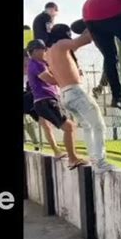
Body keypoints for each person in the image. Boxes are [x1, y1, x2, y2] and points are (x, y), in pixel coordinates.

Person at [46, 24, 114, 173]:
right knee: (98, 125)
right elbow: (85, 40)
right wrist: (93, 22)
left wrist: (86, 28)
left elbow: (79, 41)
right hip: (75, 91)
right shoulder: (61, 45)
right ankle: (100, 162)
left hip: (65, 94)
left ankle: (95, 159)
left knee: (88, 126)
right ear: (65, 34)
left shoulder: (50, 52)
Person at [26, 39, 87, 169]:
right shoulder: (37, 64)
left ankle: (63, 154)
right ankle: (72, 158)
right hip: (46, 101)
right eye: (43, 50)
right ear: (36, 51)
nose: (45, 52)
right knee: (69, 127)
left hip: (44, 101)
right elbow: (50, 80)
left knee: (67, 126)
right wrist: (68, 79)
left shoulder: (38, 64)